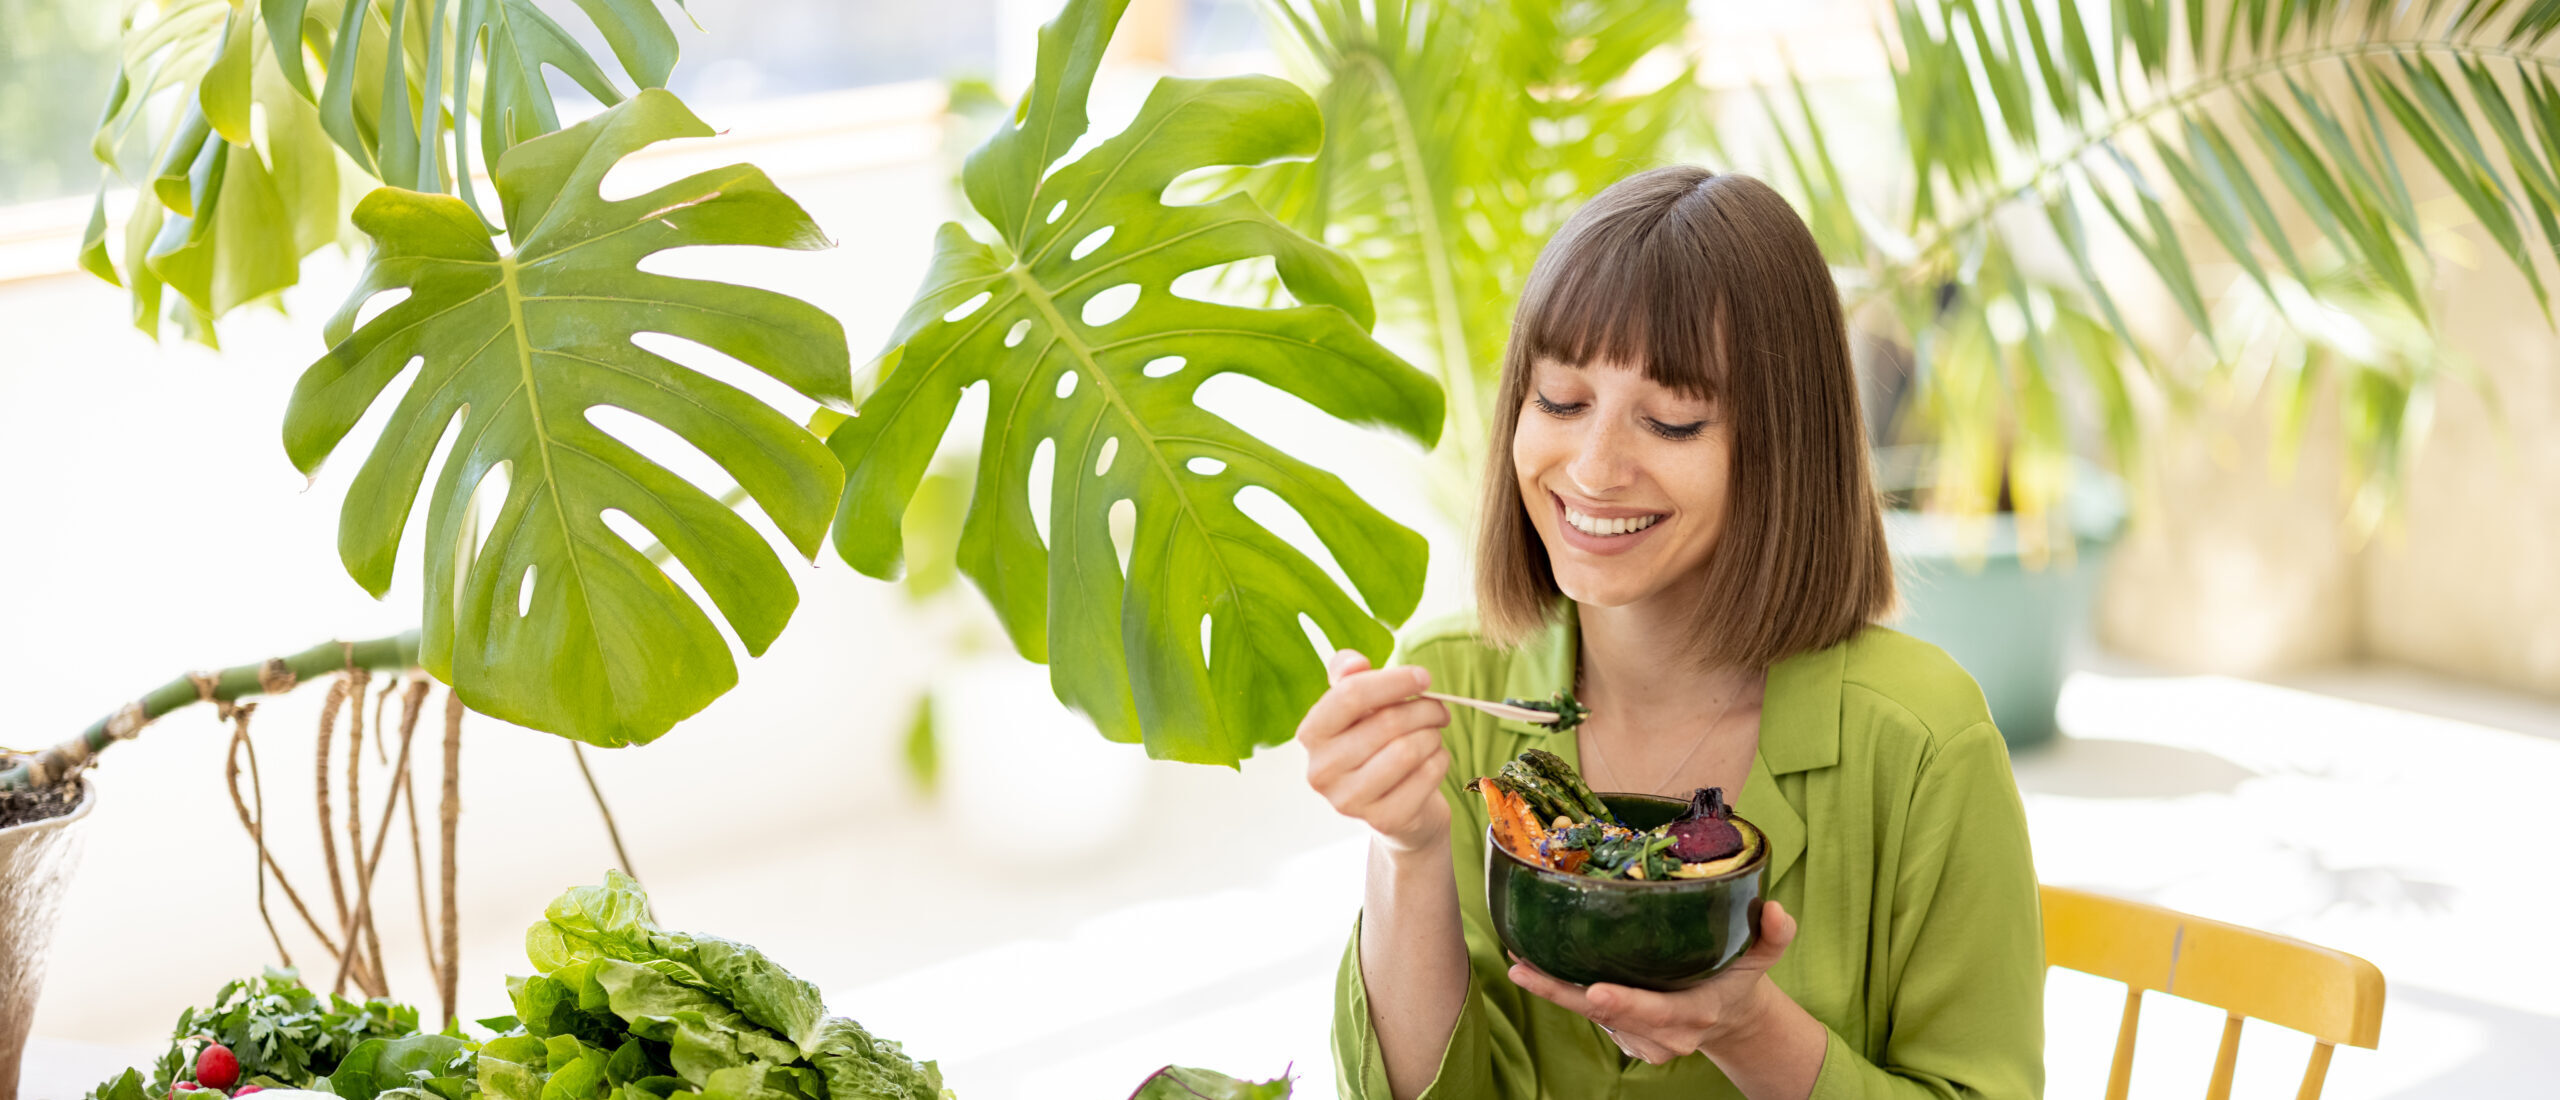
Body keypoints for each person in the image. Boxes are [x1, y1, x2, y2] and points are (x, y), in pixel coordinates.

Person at [1301, 167, 2044, 1100]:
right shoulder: (1451, 689)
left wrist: (1748, 1027)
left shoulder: (1924, 742)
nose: (1595, 468)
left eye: (1672, 420)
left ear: (1784, 446)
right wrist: (1405, 849)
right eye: (1561, 402)